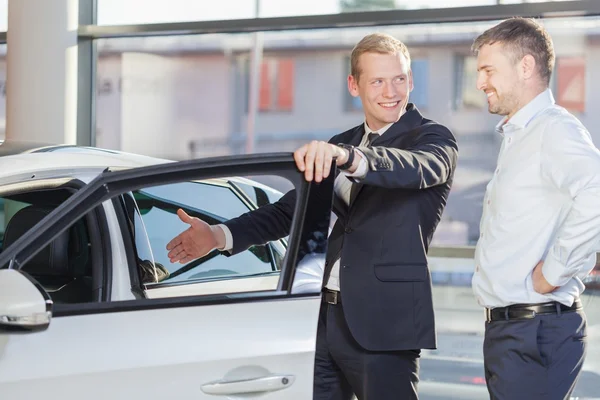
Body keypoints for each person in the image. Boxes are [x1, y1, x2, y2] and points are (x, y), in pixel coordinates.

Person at [167, 32, 458, 399]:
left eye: (399, 79)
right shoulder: (343, 141)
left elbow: (414, 168)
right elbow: (292, 211)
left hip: (384, 323)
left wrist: (352, 158)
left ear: (411, 80)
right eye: (378, 81)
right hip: (325, 318)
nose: (391, 91)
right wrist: (218, 236)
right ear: (354, 85)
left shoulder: (432, 140)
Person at [471, 17, 600, 400]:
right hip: (516, 332)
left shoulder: (553, 129)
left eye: (488, 70)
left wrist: (555, 270)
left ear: (525, 66)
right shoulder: (520, 136)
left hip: (534, 331)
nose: (480, 83)